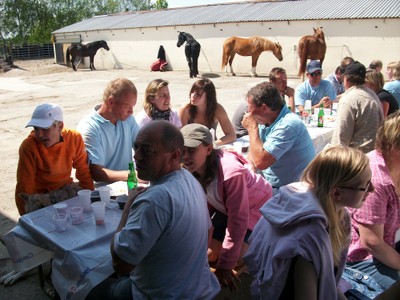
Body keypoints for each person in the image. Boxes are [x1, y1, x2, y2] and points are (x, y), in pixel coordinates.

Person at [86, 120, 220, 299]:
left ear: (174, 156)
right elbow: (209, 230)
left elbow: (120, 264)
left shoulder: (155, 200)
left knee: (89, 290)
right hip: (196, 287)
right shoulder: (189, 178)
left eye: (147, 150)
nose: (137, 156)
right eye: (136, 148)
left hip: (163, 294)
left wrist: (127, 208)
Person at [243, 146, 374, 299]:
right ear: (336, 193)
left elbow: (328, 281)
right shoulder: (307, 237)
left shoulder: (333, 211)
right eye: (365, 186)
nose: (372, 189)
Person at [180, 123, 273, 290]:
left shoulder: (231, 173)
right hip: (224, 207)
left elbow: (238, 220)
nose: (185, 157)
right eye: (183, 150)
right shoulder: (192, 168)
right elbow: (202, 209)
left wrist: (225, 267)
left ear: (209, 149)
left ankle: (260, 245)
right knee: (208, 255)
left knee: (234, 259)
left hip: (254, 208)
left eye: (191, 150)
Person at [344, 111, 400, 295]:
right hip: (361, 258)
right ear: (395, 148)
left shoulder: (394, 167)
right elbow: (372, 242)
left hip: (388, 242)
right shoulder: (375, 177)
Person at [15, 103, 94, 215]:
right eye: (36, 129)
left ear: (60, 127)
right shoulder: (29, 147)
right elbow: (24, 187)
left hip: (65, 191)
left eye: (45, 129)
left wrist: (91, 198)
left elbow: (84, 172)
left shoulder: (74, 138)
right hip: (41, 198)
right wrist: (27, 218)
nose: (40, 134)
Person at [242, 81, 315, 190]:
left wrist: (252, 129)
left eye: (250, 108)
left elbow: (261, 162)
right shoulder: (266, 120)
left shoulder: (288, 125)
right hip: (274, 186)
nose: (248, 113)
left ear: (264, 108)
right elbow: (255, 152)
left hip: (294, 192)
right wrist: (251, 167)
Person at [77, 77, 140, 185]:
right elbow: (97, 172)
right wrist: (133, 175)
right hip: (103, 192)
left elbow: (142, 146)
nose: (131, 111)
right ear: (111, 101)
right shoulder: (89, 127)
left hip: (129, 184)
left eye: (132, 106)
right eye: (127, 106)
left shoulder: (128, 119)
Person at [331, 61, 384, 153]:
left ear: (346, 78)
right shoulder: (372, 94)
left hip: (358, 157)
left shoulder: (349, 99)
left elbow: (340, 138)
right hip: (375, 152)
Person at [231, 67, 295, 138]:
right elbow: (288, 120)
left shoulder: (279, 94)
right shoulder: (268, 95)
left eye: (285, 80)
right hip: (243, 134)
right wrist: (291, 97)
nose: (284, 84)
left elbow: (288, 118)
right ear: (271, 82)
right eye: (280, 82)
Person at [179, 77, 236, 146]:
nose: (193, 96)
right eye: (192, 92)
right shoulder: (185, 109)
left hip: (211, 147)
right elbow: (181, 137)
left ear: (208, 97)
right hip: (191, 148)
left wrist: (214, 144)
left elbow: (232, 135)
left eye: (198, 94)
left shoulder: (218, 109)